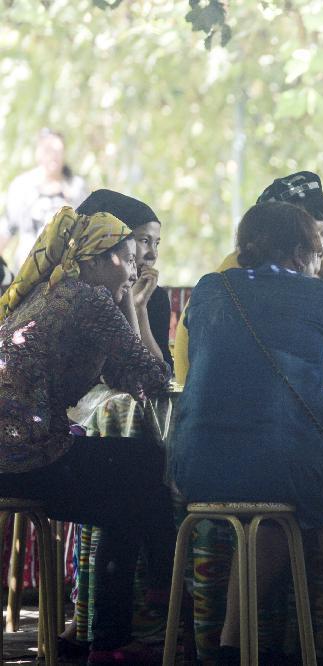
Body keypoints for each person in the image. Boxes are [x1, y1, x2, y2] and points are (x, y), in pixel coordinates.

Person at [170, 202, 323, 665]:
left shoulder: (210, 290)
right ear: (298, 252)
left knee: (270, 509)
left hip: (196, 464)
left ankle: (232, 643)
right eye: (314, 251)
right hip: (281, 457)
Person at [0, 206, 174, 664]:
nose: (136, 270)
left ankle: (114, 637)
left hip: (11, 459)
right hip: (28, 459)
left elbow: (124, 376)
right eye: (127, 258)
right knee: (148, 466)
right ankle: (162, 590)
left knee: (128, 497)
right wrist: (135, 308)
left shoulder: (52, 292)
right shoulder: (90, 299)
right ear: (95, 260)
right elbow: (152, 380)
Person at [173, 171, 323, 384]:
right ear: (276, 236)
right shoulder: (241, 285)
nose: (318, 246)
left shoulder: (239, 276)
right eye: (308, 234)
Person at [77, 189, 172, 367]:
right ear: (107, 243)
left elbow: (160, 375)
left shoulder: (154, 297)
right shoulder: (81, 298)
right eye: (144, 240)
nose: (153, 254)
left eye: (156, 243)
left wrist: (139, 308)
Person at [1, 128, 89, 271]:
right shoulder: (22, 186)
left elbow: (87, 231)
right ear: (38, 153)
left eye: (58, 151)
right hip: (26, 273)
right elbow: (6, 229)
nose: (54, 156)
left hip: (65, 273)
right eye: (48, 150)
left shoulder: (76, 187)